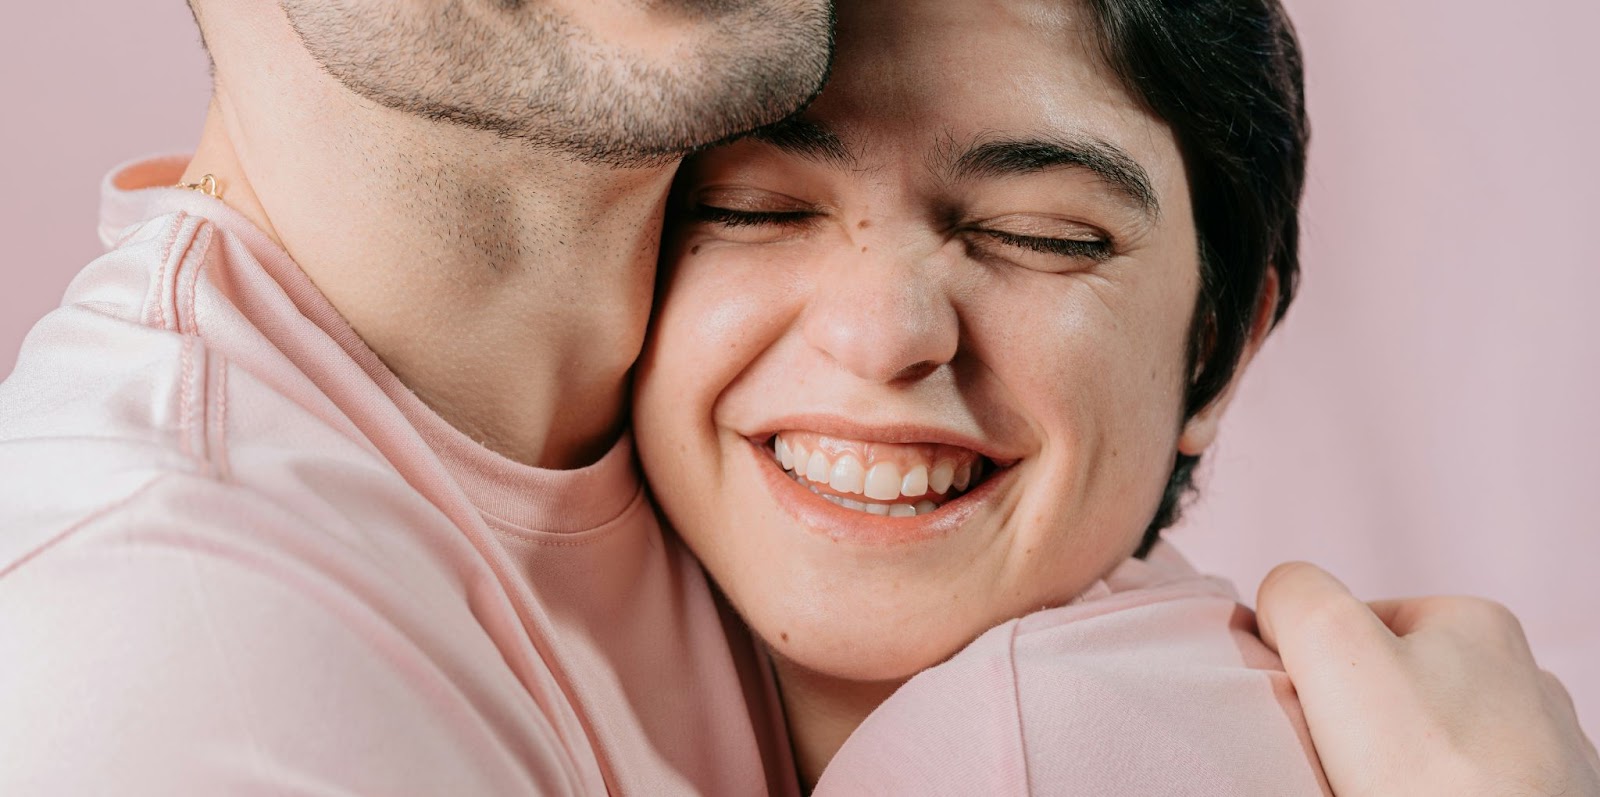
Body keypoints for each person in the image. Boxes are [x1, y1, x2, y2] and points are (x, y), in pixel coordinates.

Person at [0, 0, 1591, 794]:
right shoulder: (162, 663)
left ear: (1228, 342)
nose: (885, 328)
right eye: (764, 208)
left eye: (1040, 235)